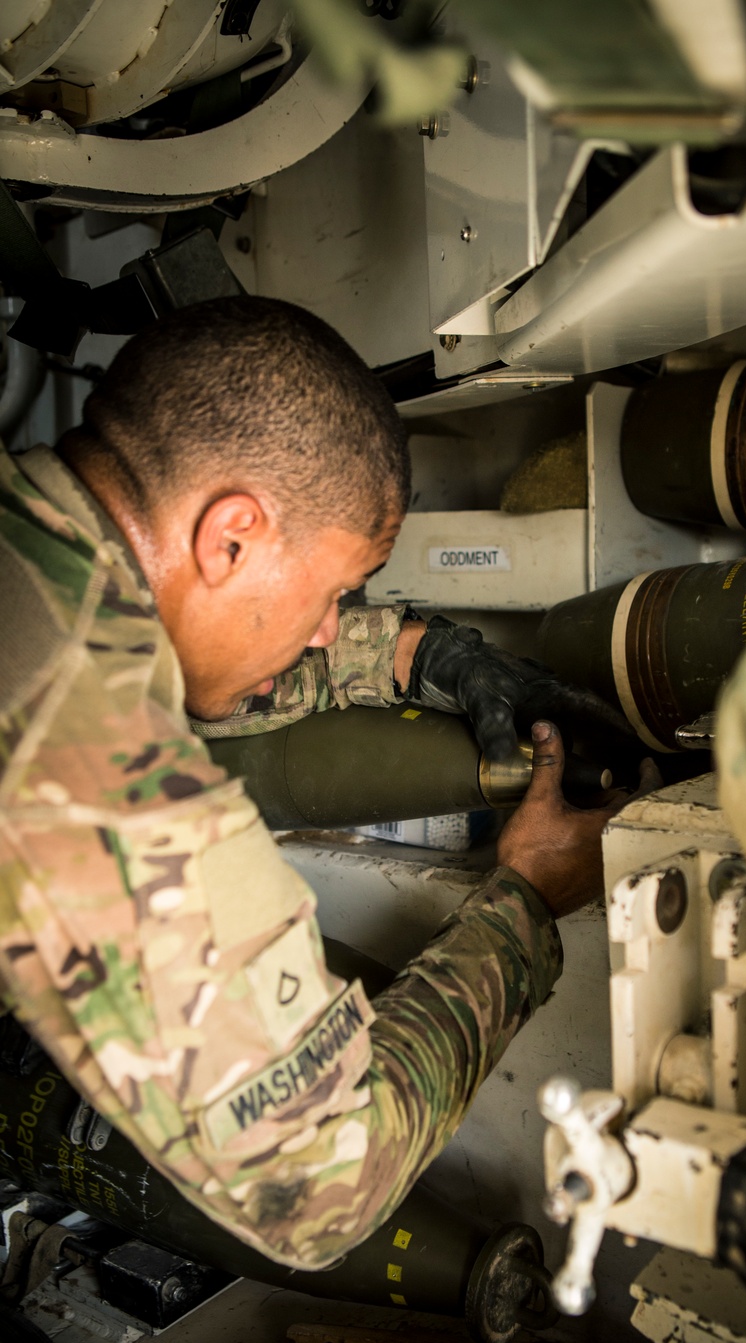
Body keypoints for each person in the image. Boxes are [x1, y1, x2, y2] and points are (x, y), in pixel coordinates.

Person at [0, 294, 647, 1275]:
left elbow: (160, 653)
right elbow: (322, 1182)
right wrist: (524, 907)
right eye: (336, 592)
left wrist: (421, 654)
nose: (322, 626)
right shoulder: (108, 786)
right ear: (231, 536)